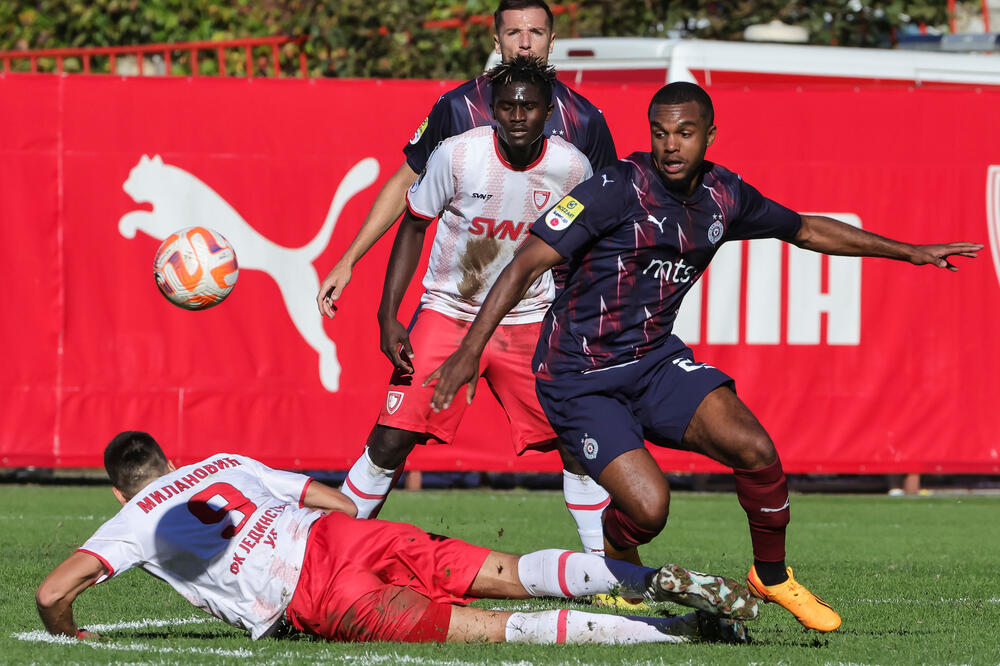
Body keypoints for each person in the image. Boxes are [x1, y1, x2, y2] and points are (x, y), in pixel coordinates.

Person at [426, 81, 984, 634]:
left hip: (652, 361)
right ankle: (618, 548)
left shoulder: (724, 195)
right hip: (579, 375)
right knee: (650, 510)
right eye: (660, 133)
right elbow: (525, 263)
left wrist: (909, 251)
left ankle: (771, 575)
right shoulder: (616, 188)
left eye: (685, 133)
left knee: (755, 448)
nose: (670, 145)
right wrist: (470, 349)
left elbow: (806, 229)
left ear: (709, 136)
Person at [318, 0, 618, 561]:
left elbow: (603, 218)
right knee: (392, 436)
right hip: (452, 310)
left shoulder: (583, 128)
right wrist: (352, 260)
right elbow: (409, 195)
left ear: (552, 40)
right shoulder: (459, 113)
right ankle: (323, 556)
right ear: (496, 39)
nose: (525, 42)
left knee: (579, 440)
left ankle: (607, 572)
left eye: (536, 31)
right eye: (514, 31)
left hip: (532, 316)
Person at [36, 430, 759, 645]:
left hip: (318, 595)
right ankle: (645, 580)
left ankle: (675, 635)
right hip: (343, 537)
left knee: (494, 629)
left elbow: (51, 593)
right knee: (508, 570)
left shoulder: (133, 518)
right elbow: (326, 495)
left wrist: (71, 633)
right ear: (170, 461)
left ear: (120, 490)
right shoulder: (222, 464)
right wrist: (365, 537)